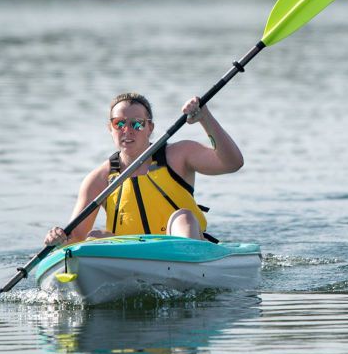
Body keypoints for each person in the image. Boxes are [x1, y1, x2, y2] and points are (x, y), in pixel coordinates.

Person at [44, 92, 243, 246]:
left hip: (179, 248)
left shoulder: (179, 155)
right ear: (110, 128)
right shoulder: (99, 179)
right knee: (95, 236)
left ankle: (188, 263)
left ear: (150, 128)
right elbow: (76, 236)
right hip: (131, 257)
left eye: (137, 124)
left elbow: (232, 163)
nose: (127, 130)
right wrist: (59, 237)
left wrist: (205, 118)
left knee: (184, 217)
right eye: (118, 123)